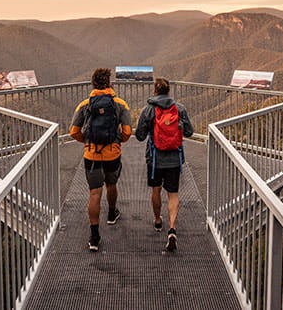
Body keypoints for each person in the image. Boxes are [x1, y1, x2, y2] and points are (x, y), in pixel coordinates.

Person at [70, 68, 132, 252]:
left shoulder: (85, 105)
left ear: (93, 84)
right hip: (112, 153)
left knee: (94, 193)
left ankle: (94, 236)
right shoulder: (120, 104)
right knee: (111, 185)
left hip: (91, 155)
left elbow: (74, 132)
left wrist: (87, 142)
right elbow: (128, 132)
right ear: (110, 83)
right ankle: (112, 213)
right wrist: (117, 141)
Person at [135, 78, 193, 252]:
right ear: (168, 91)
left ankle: (158, 220)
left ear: (155, 91)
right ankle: (172, 228)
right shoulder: (180, 109)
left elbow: (139, 136)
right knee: (173, 193)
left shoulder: (148, 110)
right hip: (174, 159)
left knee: (156, 190)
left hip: (154, 159)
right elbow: (189, 132)